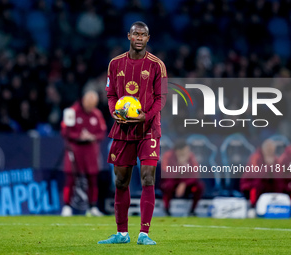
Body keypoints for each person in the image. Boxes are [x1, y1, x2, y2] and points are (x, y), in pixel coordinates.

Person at [98, 21, 167, 245]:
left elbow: (161, 99)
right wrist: (114, 112)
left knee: (148, 177)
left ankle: (144, 233)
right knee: (121, 181)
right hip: (123, 128)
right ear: (129, 36)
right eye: (135, 34)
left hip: (148, 128)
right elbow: (110, 95)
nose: (139, 38)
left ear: (148, 38)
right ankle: (122, 233)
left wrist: (145, 116)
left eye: (143, 35)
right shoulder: (115, 64)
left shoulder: (158, 65)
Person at [60, 90, 107, 217]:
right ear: (84, 100)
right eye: (89, 103)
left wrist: (92, 136)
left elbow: (102, 132)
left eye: (93, 105)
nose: (90, 107)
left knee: (92, 178)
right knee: (71, 178)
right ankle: (67, 206)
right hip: (75, 149)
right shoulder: (72, 111)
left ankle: (92, 207)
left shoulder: (97, 114)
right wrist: (79, 136)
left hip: (90, 151)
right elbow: (65, 131)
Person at [240, 139, 284, 217]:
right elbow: (255, 175)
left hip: (267, 183)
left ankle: (277, 206)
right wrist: (268, 166)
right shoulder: (255, 158)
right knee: (258, 183)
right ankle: (253, 207)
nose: (270, 152)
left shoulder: (276, 159)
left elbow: (279, 175)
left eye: (272, 150)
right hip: (250, 183)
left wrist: (272, 166)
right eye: (269, 150)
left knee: (279, 183)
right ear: (264, 149)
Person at [160, 140, 204, 216]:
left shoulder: (190, 156)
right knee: (168, 186)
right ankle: (167, 209)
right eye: (185, 151)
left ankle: (192, 210)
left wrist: (184, 184)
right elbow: (166, 173)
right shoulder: (168, 156)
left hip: (187, 184)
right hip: (172, 182)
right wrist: (180, 166)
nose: (187, 153)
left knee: (199, 186)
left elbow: (195, 174)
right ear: (178, 151)